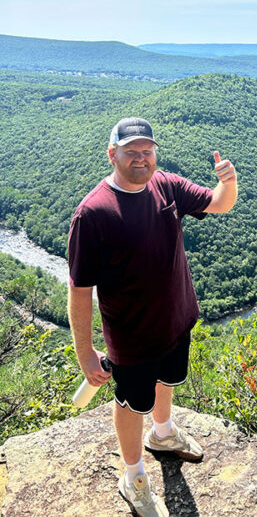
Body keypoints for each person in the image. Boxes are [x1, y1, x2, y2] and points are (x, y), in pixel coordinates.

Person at [67, 117, 237, 517]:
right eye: (131, 151)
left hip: (177, 318)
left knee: (167, 380)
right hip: (131, 336)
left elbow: (219, 203)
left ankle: (162, 435)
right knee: (131, 403)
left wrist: (228, 181)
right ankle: (133, 475)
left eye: (147, 151)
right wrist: (86, 352)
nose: (141, 158)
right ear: (113, 155)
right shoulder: (92, 214)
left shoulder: (167, 186)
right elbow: (79, 290)